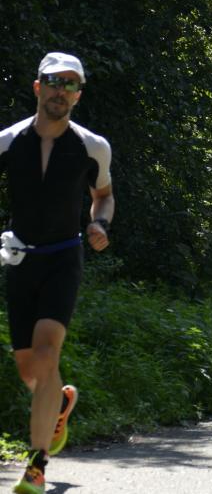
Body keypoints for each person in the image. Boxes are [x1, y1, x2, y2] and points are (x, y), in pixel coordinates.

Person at [1, 52, 114, 494]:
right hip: (20, 259)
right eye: (54, 81)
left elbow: (103, 195)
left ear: (78, 95)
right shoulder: (8, 142)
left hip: (64, 257)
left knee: (47, 354)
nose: (60, 91)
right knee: (29, 370)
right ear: (37, 87)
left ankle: (36, 465)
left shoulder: (92, 146)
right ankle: (60, 405)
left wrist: (99, 223)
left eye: (70, 84)